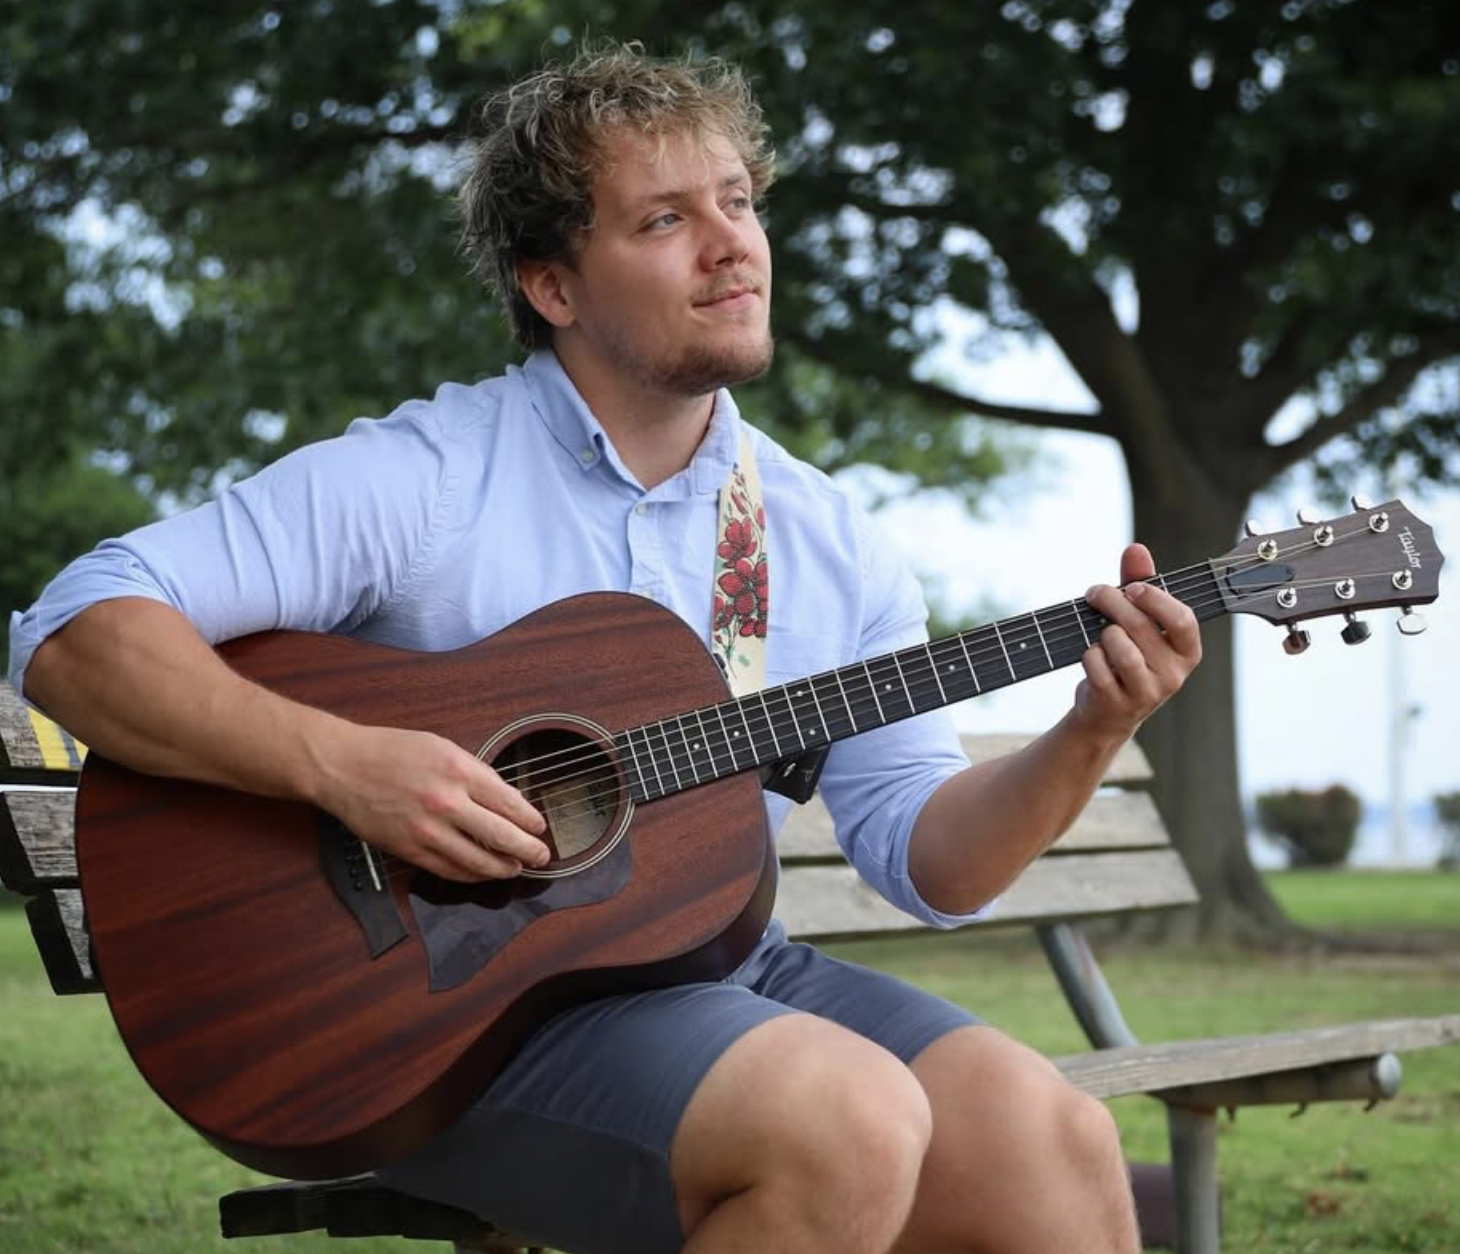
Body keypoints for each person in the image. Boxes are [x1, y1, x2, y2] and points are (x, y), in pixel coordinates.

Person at [9, 42, 1201, 1254]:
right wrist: (342, 767)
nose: (731, 243)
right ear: (554, 288)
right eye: (665, 219)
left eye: (738, 202)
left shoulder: (824, 539)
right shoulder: (425, 480)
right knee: (844, 1118)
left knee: (1051, 1139)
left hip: (721, 980)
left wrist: (1091, 725)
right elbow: (76, 629)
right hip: (443, 1027)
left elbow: (928, 862)